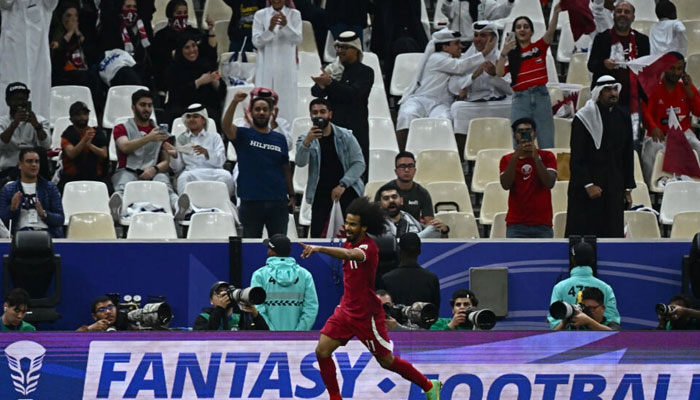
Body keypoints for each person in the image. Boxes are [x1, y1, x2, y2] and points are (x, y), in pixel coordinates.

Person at [299, 197, 443, 400]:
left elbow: (350, 255)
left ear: (364, 227)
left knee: (387, 361)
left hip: (367, 316)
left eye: (353, 224)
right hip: (345, 311)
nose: (347, 227)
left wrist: (319, 248)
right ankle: (335, 397)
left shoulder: (369, 248)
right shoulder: (349, 241)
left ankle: (429, 385)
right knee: (322, 351)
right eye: (347, 222)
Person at [397, 28, 494, 151]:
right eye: (457, 44)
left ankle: (439, 159)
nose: (461, 46)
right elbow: (460, 67)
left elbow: (461, 76)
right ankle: (402, 156)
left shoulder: (456, 60)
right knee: (407, 114)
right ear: (445, 47)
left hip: (442, 104)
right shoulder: (436, 58)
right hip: (421, 99)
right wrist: (486, 51)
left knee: (444, 121)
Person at [565, 75, 635, 238]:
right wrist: (588, 184)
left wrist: (627, 188)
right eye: (607, 90)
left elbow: (627, 154)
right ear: (598, 93)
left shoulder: (623, 116)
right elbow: (577, 156)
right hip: (586, 189)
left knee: (612, 234)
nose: (613, 93)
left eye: (615, 89)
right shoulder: (583, 118)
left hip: (614, 186)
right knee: (584, 234)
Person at [222, 91, 294, 238]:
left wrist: (292, 195)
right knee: (251, 245)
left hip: (278, 201)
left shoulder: (280, 139)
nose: (261, 112)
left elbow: (285, 168)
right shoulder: (242, 135)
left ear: (270, 113)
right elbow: (226, 125)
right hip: (251, 201)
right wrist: (234, 102)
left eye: (265, 109)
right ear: (251, 112)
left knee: (279, 245)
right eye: (257, 109)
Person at [295, 98, 365, 238]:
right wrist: (307, 142)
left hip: (347, 190)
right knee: (317, 235)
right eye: (315, 112)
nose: (319, 116)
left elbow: (359, 163)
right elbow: (300, 162)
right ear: (310, 116)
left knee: (352, 235)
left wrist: (342, 185)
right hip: (320, 192)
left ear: (330, 114)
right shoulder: (305, 138)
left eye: (323, 112)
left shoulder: (346, 136)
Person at [496, 6, 562, 149]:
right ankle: (523, 171)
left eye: (526, 26)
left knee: (546, 143)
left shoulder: (539, 48)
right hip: (521, 101)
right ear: (514, 32)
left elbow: (550, 32)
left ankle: (547, 171)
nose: (522, 29)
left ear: (532, 31)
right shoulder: (512, 56)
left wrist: (555, 13)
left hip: (541, 97)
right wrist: (504, 53)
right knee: (521, 144)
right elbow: (499, 72)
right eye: (518, 27)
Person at [109, 90, 179, 219]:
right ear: (133, 107)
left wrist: (155, 169)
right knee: (123, 187)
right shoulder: (121, 128)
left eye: (149, 105)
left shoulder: (161, 131)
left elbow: (165, 162)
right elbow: (124, 147)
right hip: (128, 170)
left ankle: (180, 207)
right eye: (142, 105)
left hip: (153, 172)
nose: (147, 109)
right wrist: (148, 138)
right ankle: (116, 208)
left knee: (165, 184)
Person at [311, 31, 373, 177]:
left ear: (355, 49)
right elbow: (316, 93)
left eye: (344, 48)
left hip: (356, 128)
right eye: (338, 47)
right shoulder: (332, 70)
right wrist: (321, 85)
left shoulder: (366, 72)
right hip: (334, 128)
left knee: (357, 170)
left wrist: (331, 83)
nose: (340, 51)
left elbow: (354, 94)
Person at [449, 21, 512, 160]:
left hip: (498, 104)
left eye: (483, 35)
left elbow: (511, 90)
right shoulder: (467, 58)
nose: (477, 39)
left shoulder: (503, 58)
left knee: (516, 106)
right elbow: (453, 86)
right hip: (474, 104)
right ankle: (461, 159)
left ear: (493, 39)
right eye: (476, 35)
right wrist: (473, 76)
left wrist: (494, 76)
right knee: (457, 108)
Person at [640, 53, 700, 184]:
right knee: (651, 150)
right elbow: (645, 112)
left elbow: (698, 111)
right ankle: (651, 187)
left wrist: (690, 91)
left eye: (679, 69)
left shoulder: (686, 86)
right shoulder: (653, 87)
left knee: (697, 145)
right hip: (659, 133)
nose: (676, 72)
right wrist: (653, 126)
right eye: (672, 68)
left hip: (683, 132)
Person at [588, 1, 650, 116]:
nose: (622, 14)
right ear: (613, 15)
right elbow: (591, 65)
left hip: (632, 99)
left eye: (627, 12)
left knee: (631, 134)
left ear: (633, 17)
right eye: (619, 11)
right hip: (606, 99)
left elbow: (647, 71)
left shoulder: (642, 41)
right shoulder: (602, 38)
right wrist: (604, 64)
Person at [499, 118, 557, 238]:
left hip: (542, 223)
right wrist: (515, 157)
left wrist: (536, 158)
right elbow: (505, 185)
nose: (525, 134)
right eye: (520, 131)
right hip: (516, 224)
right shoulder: (507, 159)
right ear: (515, 136)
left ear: (534, 134)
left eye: (528, 131)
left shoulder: (547, 156)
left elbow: (549, 183)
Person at [162, 103, 235, 196]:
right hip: (192, 172)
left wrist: (207, 153)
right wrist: (175, 156)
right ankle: (188, 208)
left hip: (213, 172)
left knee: (226, 177)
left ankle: (220, 204)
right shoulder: (182, 139)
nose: (191, 119)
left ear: (203, 120)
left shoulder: (214, 137)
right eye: (188, 117)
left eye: (195, 116)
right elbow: (178, 169)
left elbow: (221, 160)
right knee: (183, 178)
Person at [0, 0, 56, 119]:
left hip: (38, 54)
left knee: (38, 93)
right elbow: (5, 3)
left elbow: (51, 3)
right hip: (13, 51)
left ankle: (38, 129)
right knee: (9, 85)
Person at [250, 234, 319, 330]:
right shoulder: (305, 275)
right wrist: (298, 333)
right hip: (298, 341)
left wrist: (269, 332)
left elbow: (257, 308)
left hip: (267, 340)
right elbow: (311, 308)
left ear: (271, 251)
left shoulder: (259, 275)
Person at [547, 241, 621, 329]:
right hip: (599, 340)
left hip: (568, 340)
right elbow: (612, 323)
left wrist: (587, 320)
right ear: (593, 260)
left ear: (572, 260)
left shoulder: (559, 287)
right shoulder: (606, 288)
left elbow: (554, 324)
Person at [252, 0, 302, 122]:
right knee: (264, 98)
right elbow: (256, 42)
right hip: (266, 67)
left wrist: (286, 26)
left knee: (286, 101)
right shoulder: (260, 15)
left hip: (286, 67)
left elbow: (298, 39)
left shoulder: (294, 14)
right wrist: (270, 29)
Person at [49, 4, 104, 112]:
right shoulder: (56, 37)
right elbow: (57, 61)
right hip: (64, 76)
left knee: (93, 77)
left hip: (83, 74)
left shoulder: (83, 36)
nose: (72, 19)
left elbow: (91, 56)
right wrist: (69, 34)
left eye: (75, 16)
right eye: (68, 16)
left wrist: (78, 34)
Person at [165, 33, 225, 130]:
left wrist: (216, 83)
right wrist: (198, 83)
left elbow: (222, 91)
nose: (192, 50)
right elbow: (176, 95)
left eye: (194, 46)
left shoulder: (205, 64)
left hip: (205, 107)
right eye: (187, 47)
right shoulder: (173, 69)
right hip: (182, 108)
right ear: (181, 50)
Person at [152, 1, 216, 91]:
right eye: (178, 13)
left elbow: (210, 55)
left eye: (185, 13)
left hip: (198, 74)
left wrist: (211, 31)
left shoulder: (194, 32)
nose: (182, 16)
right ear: (170, 14)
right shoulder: (161, 36)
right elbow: (159, 63)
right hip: (175, 77)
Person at [0, 148, 64, 238]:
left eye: (37, 161)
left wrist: (44, 214)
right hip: (20, 235)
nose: (34, 165)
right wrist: (12, 208)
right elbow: (1, 222)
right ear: (20, 165)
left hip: (46, 234)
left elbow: (60, 219)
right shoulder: (8, 189)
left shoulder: (50, 188)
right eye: (29, 161)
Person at [0, 82, 51, 183]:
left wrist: (36, 126)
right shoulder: (2, 121)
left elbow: (46, 146)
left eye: (23, 99)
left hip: (34, 170)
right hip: (9, 169)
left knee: (39, 153)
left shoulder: (40, 121)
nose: (20, 103)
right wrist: (14, 124)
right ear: (8, 101)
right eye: (16, 99)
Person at [97, 0, 155, 86]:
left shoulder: (140, 26)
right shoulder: (112, 27)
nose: (131, 10)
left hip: (138, 69)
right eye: (128, 7)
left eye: (134, 7)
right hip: (118, 71)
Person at [58, 101, 109, 193]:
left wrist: (90, 146)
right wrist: (84, 140)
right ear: (71, 118)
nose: (82, 117)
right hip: (71, 179)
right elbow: (71, 154)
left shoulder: (97, 133)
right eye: (78, 114)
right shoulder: (67, 134)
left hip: (95, 178)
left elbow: (104, 154)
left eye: (85, 114)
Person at [380, 233, 441, 309]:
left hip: (395, 320)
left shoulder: (386, 279)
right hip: (422, 320)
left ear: (399, 250)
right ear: (419, 251)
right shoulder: (432, 279)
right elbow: (434, 311)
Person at [373, 151, 435, 223]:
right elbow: (377, 220)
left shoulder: (423, 193)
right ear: (396, 171)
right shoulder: (384, 192)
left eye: (410, 166)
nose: (406, 170)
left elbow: (429, 223)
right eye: (402, 166)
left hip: (415, 232)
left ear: (415, 170)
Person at [193, 281, 269, 330]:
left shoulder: (239, 319)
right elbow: (204, 338)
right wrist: (220, 308)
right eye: (219, 293)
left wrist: (255, 314)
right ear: (211, 301)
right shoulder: (203, 318)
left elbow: (266, 337)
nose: (225, 296)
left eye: (227, 292)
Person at [440, 0, 514, 44]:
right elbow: (446, 11)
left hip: (479, 42)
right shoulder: (455, 2)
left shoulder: (483, 2)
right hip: (460, 42)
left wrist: (510, 2)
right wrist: (448, 1)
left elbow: (500, 12)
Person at [553, 287, 622, 331]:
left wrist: (589, 322)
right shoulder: (578, 324)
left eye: (592, 308)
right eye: (585, 308)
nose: (588, 311)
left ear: (602, 308)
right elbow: (551, 338)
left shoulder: (611, 324)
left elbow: (615, 336)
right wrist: (563, 323)